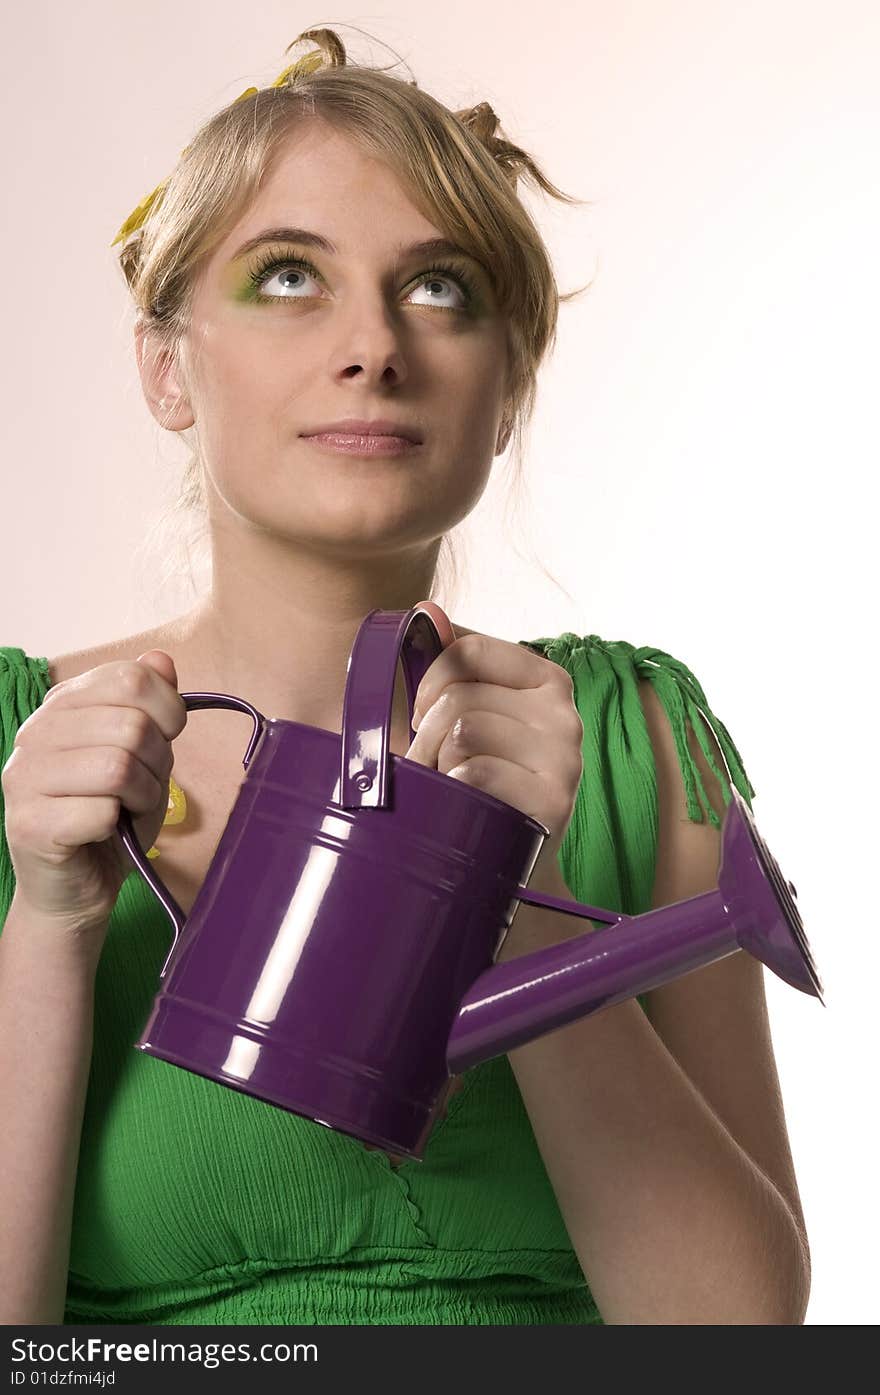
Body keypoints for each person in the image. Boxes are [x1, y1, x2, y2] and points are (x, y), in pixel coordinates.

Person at [0, 27, 810, 1326]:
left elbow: (736, 1336)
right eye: (286, 278)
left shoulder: (631, 737)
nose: (374, 345)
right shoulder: (25, 756)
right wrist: (47, 923)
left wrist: (515, 889)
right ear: (166, 367)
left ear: (506, 393)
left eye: (439, 288)